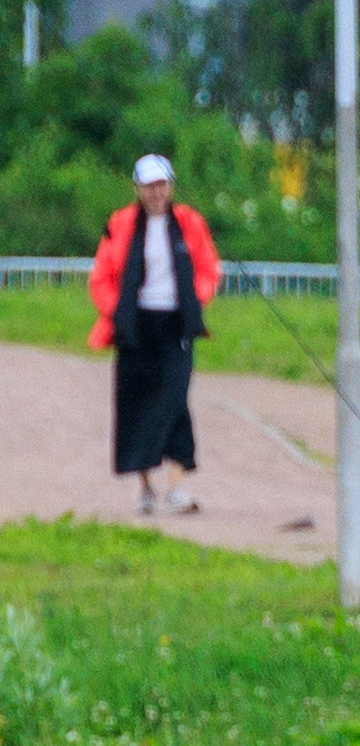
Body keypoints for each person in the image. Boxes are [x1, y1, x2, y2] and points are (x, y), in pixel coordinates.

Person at [88, 153, 219, 515]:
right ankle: (145, 487)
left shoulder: (190, 223)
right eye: (149, 185)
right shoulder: (120, 224)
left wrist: (196, 298)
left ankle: (176, 488)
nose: (156, 192)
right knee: (136, 404)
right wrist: (116, 311)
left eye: (161, 184)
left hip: (176, 324)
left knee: (174, 401)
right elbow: (101, 277)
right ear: (138, 188)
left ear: (171, 186)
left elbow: (208, 267)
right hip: (135, 325)